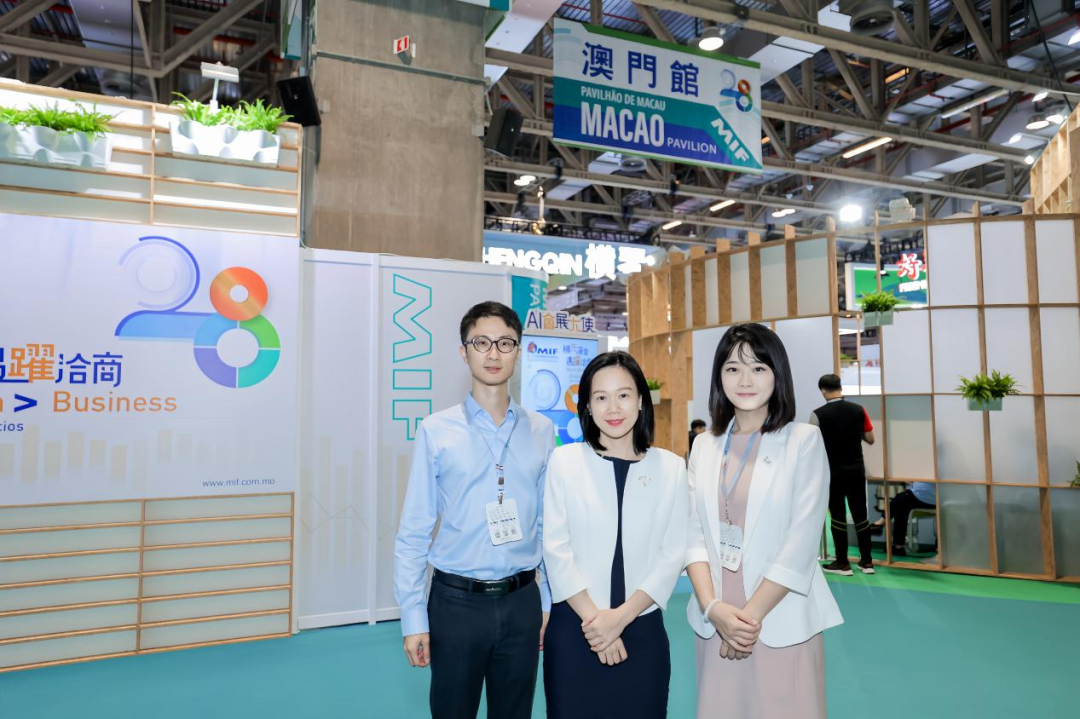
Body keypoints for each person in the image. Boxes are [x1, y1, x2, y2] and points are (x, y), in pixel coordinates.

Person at [394, 301, 555, 719]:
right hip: (455, 605)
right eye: (481, 342)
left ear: (519, 352)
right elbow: (414, 530)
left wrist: (547, 600)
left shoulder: (542, 431)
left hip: (522, 602)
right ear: (463, 352)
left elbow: (547, 524)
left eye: (505, 343)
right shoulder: (436, 430)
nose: (493, 353)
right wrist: (413, 617)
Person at [686, 323, 842, 719]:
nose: (745, 380)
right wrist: (713, 609)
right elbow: (693, 535)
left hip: (777, 620)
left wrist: (746, 621)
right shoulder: (704, 446)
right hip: (715, 620)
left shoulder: (803, 441)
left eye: (758, 368)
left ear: (778, 374)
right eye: (733, 368)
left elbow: (801, 544)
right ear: (719, 376)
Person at [543, 351, 688, 719]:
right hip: (576, 627)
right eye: (601, 397)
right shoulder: (565, 461)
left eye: (623, 395)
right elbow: (556, 549)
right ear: (587, 407)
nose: (613, 408)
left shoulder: (671, 468)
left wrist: (620, 618)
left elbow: (672, 554)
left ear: (641, 401)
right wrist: (598, 625)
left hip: (642, 627)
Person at [810, 373, 877, 576]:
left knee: (837, 516)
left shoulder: (817, 414)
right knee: (860, 515)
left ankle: (842, 563)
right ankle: (867, 562)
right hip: (856, 471)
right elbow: (870, 438)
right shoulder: (859, 410)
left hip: (832, 473)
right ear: (840, 387)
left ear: (823, 391)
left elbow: (811, 446)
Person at [875, 482, 937, 556]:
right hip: (929, 498)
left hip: (926, 497)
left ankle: (881, 522)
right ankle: (898, 547)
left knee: (902, 498)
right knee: (902, 506)